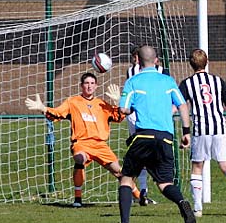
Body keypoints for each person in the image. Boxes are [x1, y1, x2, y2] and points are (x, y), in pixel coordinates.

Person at [24, 72, 140, 207]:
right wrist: (43, 108)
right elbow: (57, 113)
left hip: (100, 145)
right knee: (80, 158)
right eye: (86, 83)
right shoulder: (72, 102)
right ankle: (77, 199)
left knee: (119, 172)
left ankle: (139, 197)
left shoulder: (101, 104)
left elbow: (119, 117)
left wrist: (118, 101)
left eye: (92, 83)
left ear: (96, 86)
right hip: (81, 143)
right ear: (81, 86)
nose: (89, 86)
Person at [115, 45, 195, 223]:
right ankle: (182, 202)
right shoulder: (168, 81)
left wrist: (131, 104)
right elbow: (183, 105)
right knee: (164, 183)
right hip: (165, 138)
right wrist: (186, 131)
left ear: (138, 61)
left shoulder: (133, 82)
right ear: (156, 60)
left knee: (126, 179)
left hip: (143, 136)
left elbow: (123, 110)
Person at [179, 49, 226, 218]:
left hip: (200, 129)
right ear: (207, 62)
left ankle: (197, 207)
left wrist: (185, 131)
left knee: (197, 167)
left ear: (191, 64)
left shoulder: (187, 83)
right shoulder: (218, 80)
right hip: (219, 128)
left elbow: (181, 107)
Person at [126, 45, 168, 206]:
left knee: (139, 154)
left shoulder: (132, 72)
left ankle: (139, 191)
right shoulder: (159, 71)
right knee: (150, 155)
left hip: (135, 115)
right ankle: (142, 191)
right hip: (151, 117)